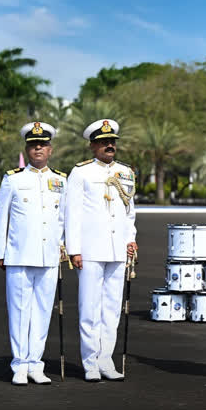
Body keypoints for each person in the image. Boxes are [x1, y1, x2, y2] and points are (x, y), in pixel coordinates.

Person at [65, 119, 138, 382]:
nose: (110, 145)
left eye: (112, 141)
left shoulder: (126, 172)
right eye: (104, 142)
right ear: (93, 145)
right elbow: (71, 213)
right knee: (89, 308)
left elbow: (130, 213)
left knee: (111, 309)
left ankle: (106, 359)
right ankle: (90, 363)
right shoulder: (81, 173)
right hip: (91, 250)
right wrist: (74, 249)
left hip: (117, 250)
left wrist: (131, 238)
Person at [0, 122, 66, 386]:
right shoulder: (13, 178)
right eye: (34, 145)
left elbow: (63, 219)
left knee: (42, 312)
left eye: (43, 145)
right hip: (19, 255)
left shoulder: (61, 180)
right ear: (27, 148)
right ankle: (19, 365)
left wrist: (64, 247)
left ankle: (36, 364)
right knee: (19, 311)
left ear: (50, 149)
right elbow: (1, 218)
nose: (38, 148)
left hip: (48, 256)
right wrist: (0, 252)